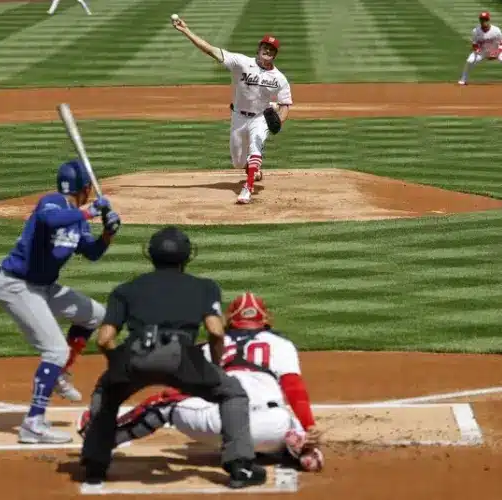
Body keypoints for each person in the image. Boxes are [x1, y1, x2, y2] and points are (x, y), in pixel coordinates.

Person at [78, 226, 266, 489]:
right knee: (231, 393)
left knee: (106, 393)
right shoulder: (204, 286)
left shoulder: (126, 289)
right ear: (187, 257)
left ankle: (94, 464)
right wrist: (214, 366)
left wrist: (120, 364)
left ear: (150, 255)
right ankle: (240, 467)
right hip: (181, 356)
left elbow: (104, 339)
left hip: (136, 353)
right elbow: (215, 331)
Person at [78, 291, 324, 472]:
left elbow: (180, 387)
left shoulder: (210, 347)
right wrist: (310, 425)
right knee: (287, 414)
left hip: (220, 426)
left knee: (165, 403)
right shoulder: (281, 344)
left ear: (230, 320)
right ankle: (295, 445)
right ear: (265, 320)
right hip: (274, 428)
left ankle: (103, 438)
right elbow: (294, 388)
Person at [0, 158, 121, 445]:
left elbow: (92, 253)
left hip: (43, 287)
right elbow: (50, 220)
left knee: (95, 315)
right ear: (86, 188)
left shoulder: (75, 216)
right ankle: (33, 424)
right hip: (16, 285)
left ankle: (62, 371)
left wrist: (108, 233)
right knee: (53, 350)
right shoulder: (52, 203)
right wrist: (90, 212)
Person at [171, 16, 292, 205]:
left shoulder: (280, 78)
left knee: (256, 148)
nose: (268, 51)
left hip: (260, 118)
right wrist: (186, 30)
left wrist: (279, 121)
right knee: (237, 161)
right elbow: (211, 50)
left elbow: (286, 104)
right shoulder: (241, 62)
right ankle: (252, 170)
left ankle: (248, 188)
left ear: (275, 55)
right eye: (265, 48)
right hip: (238, 117)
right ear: (259, 50)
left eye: (272, 50)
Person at [458, 11, 502, 86]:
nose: (484, 21)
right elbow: (474, 44)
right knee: (469, 60)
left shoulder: (496, 30)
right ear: (480, 21)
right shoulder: (476, 31)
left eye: (485, 20)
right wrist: (479, 52)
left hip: (496, 50)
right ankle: (463, 79)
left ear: (488, 20)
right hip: (482, 51)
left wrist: (497, 52)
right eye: (482, 20)